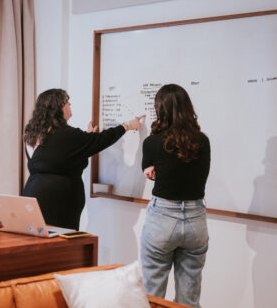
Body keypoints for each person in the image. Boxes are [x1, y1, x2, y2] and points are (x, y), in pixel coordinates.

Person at [22, 88, 144, 230]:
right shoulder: (66, 135)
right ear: (58, 108)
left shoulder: (33, 134)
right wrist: (127, 125)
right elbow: (101, 140)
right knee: (60, 247)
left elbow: (61, 155)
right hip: (57, 203)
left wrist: (86, 137)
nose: (70, 105)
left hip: (32, 196)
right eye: (66, 102)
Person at [140, 84, 211, 308]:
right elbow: (200, 175)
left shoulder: (152, 142)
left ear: (160, 110)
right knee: (189, 299)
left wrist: (152, 169)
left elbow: (149, 170)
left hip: (162, 218)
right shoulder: (202, 141)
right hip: (196, 220)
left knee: (153, 295)